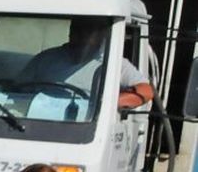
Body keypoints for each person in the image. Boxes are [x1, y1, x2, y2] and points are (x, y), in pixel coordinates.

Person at [21, 16, 154, 110]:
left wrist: (108, 105)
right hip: (37, 119)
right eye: (77, 29)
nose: (82, 35)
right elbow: (18, 89)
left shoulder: (113, 63)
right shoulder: (46, 58)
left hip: (88, 125)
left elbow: (146, 91)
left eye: (89, 31)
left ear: (102, 34)